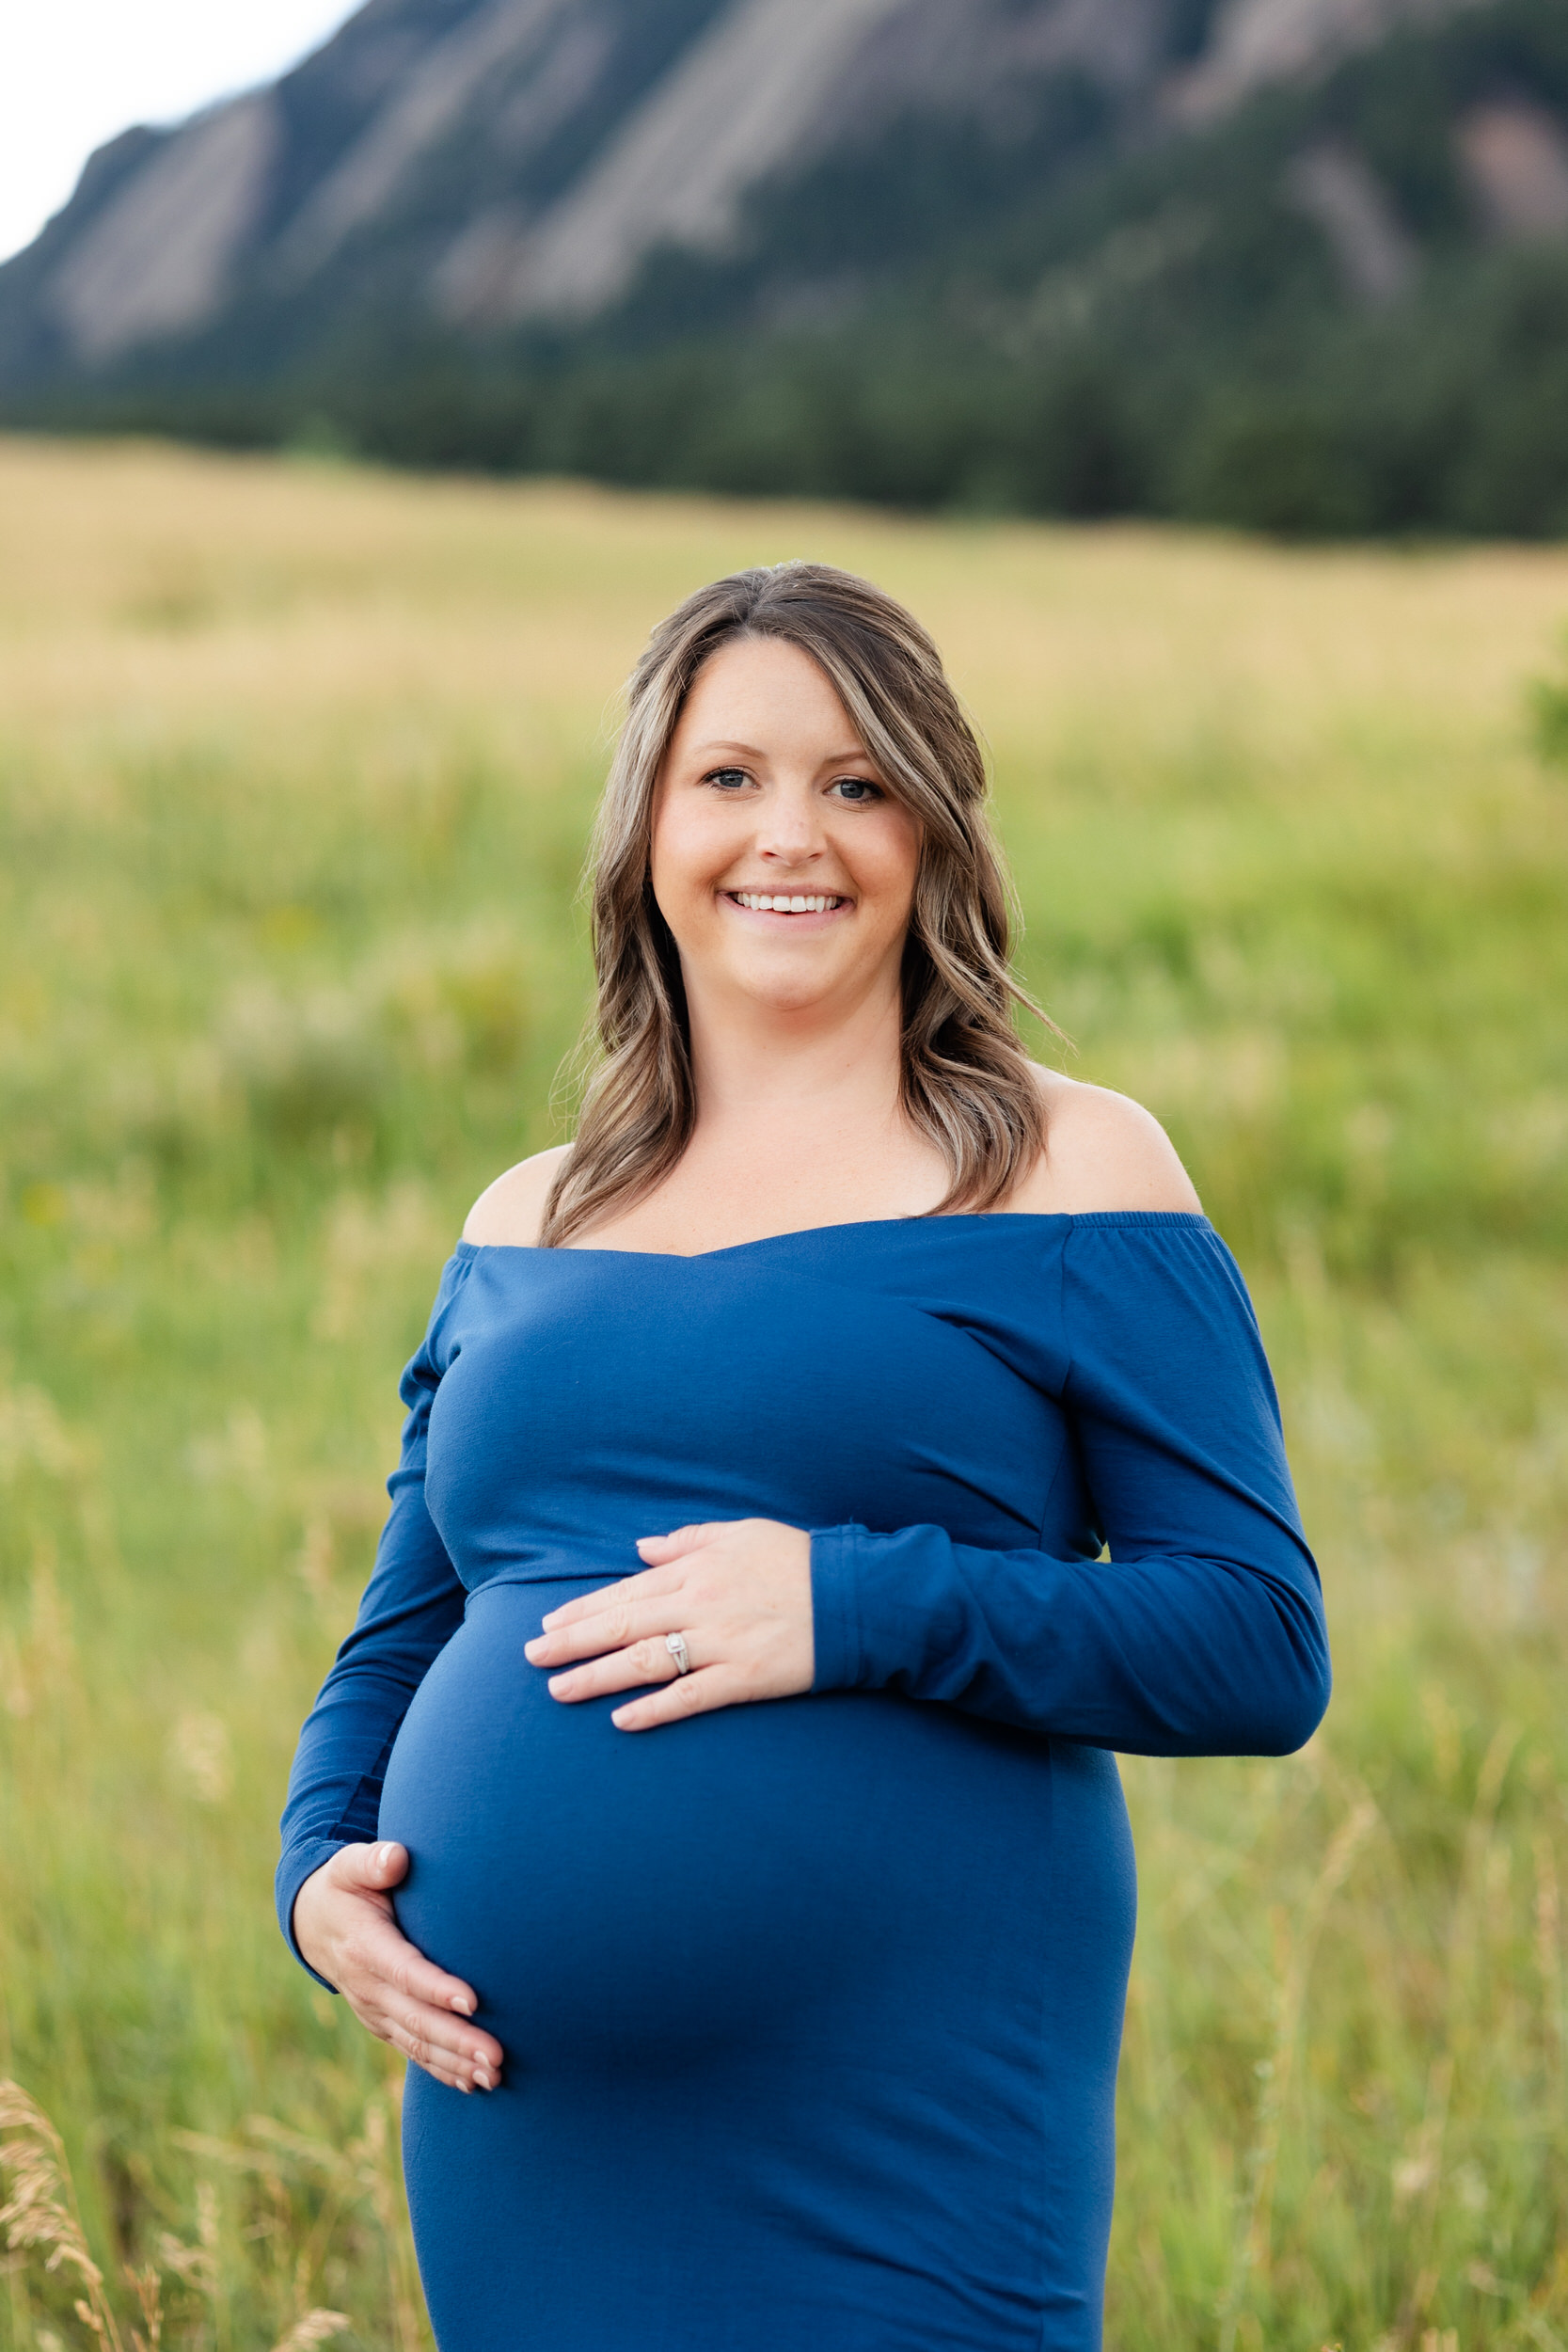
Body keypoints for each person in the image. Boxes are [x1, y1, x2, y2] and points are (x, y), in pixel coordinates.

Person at [277, 561, 1330, 2351]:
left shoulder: (1075, 1171)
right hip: (527, 2116)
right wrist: (317, 1879)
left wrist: (850, 1604)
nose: (796, 836)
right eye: (731, 777)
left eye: (859, 782)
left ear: (934, 830)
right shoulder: (529, 1216)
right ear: (647, 831)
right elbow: (407, 1630)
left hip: (904, 2098)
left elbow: (1255, 1641)